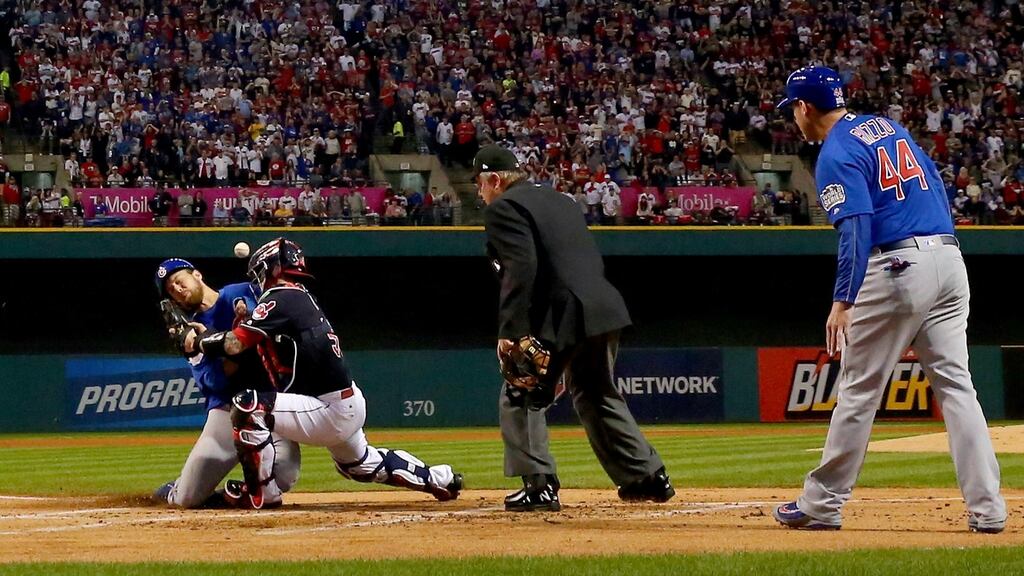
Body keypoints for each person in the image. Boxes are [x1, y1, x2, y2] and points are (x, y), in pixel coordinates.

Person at [772, 66, 1006, 533]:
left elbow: (855, 225)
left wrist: (843, 299)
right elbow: (936, 184)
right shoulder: (887, 128)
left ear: (805, 107)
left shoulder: (836, 152)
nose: (792, 118)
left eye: (792, 109)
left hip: (898, 266)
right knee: (959, 389)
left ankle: (822, 505)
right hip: (948, 259)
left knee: (859, 389)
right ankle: (989, 510)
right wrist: (943, 251)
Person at [180, 238, 463, 508]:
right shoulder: (298, 297)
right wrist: (240, 321)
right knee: (363, 465)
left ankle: (263, 493)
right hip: (344, 402)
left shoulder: (282, 296)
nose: (258, 278)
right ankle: (441, 478)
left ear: (275, 268)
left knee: (248, 406)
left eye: (261, 271)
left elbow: (235, 343)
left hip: (327, 409)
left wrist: (201, 342)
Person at [474, 145, 673, 512]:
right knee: (597, 392)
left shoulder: (503, 207)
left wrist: (512, 329)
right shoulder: (561, 200)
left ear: (496, 180)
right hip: (603, 304)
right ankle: (647, 477)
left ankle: (539, 485)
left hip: (563, 309)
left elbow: (522, 266)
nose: (478, 192)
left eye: (480, 183)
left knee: (522, 389)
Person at [152, 259, 300, 508]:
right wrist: (230, 345)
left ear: (197, 275)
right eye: (170, 289)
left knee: (283, 476)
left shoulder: (241, 291)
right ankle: (173, 488)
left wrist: (248, 321)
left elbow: (277, 322)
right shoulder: (190, 334)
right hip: (226, 410)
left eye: (179, 280)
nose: (176, 288)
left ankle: (234, 493)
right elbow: (214, 381)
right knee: (186, 499)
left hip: (269, 403)